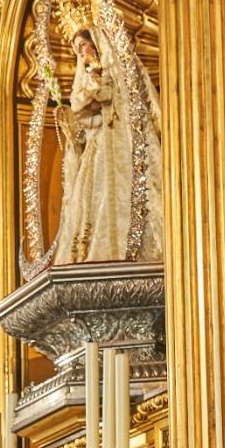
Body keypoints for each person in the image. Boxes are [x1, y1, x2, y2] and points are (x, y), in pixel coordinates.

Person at [51, 23, 163, 267]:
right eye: (76, 50)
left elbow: (111, 98)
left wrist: (96, 84)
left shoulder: (113, 71)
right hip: (96, 146)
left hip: (116, 143)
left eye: (83, 46)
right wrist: (70, 120)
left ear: (95, 43)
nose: (80, 53)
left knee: (112, 193)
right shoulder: (87, 76)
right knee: (89, 199)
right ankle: (84, 254)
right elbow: (82, 111)